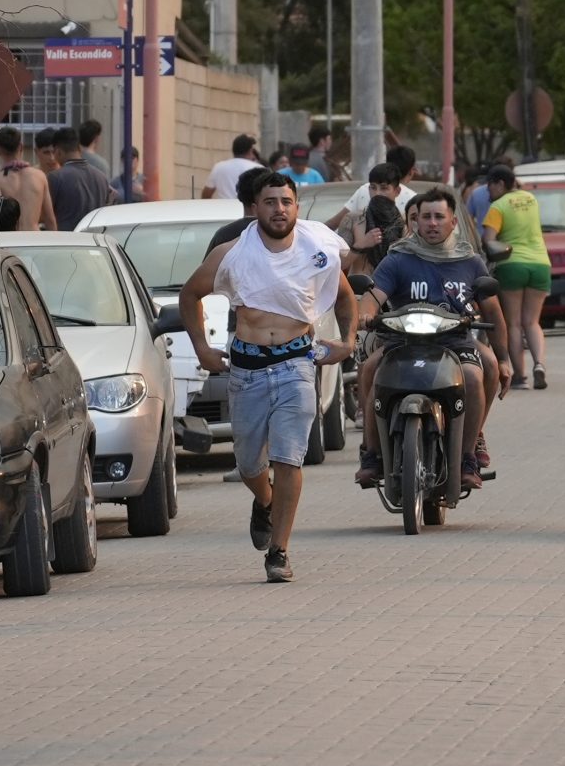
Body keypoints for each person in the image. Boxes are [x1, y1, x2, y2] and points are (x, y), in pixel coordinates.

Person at [177, 174, 354, 583]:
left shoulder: (318, 248)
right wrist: (203, 348)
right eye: (271, 202)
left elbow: (345, 296)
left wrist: (349, 341)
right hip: (247, 368)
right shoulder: (232, 253)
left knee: (288, 457)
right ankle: (264, 499)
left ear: (297, 207)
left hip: (296, 363)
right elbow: (190, 296)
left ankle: (279, 551)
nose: (279, 209)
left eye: (287, 201)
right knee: (248, 463)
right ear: (255, 208)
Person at [355, 188, 506, 488]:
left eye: (439, 217)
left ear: (453, 222)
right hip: (402, 341)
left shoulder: (471, 262)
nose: (432, 223)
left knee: (475, 378)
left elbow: (493, 311)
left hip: (455, 342)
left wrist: (504, 358)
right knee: (370, 369)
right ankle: (371, 454)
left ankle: (467, 456)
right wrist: (366, 313)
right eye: (426, 217)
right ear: (415, 223)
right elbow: (373, 296)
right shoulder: (398, 259)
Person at [482, 167, 552, 390]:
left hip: (511, 264)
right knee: (532, 322)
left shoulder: (497, 207)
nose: (488, 191)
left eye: (490, 185)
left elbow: (489, 241)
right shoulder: (531, 199)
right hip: (540, 263)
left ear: (500, 184)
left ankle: (520, 377)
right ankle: (539, 364)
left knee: (512, 323)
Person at [327, 145, 419, 235]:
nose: (377, 193)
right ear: (411, 171)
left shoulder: (364, 190)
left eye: (384, 188)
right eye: (373, 188)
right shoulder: (415, 200)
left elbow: (333, 224)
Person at [0, 125, 56, 232]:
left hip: (11, 241)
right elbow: (50, 219)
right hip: (33, 239)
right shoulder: (39, 176)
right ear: (21, 147)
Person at [204, 134, 263, 199]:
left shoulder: (219, 167)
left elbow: (206, 194)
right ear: (250, 151)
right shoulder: (258, 169)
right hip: (246, 208)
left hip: (224, 208)